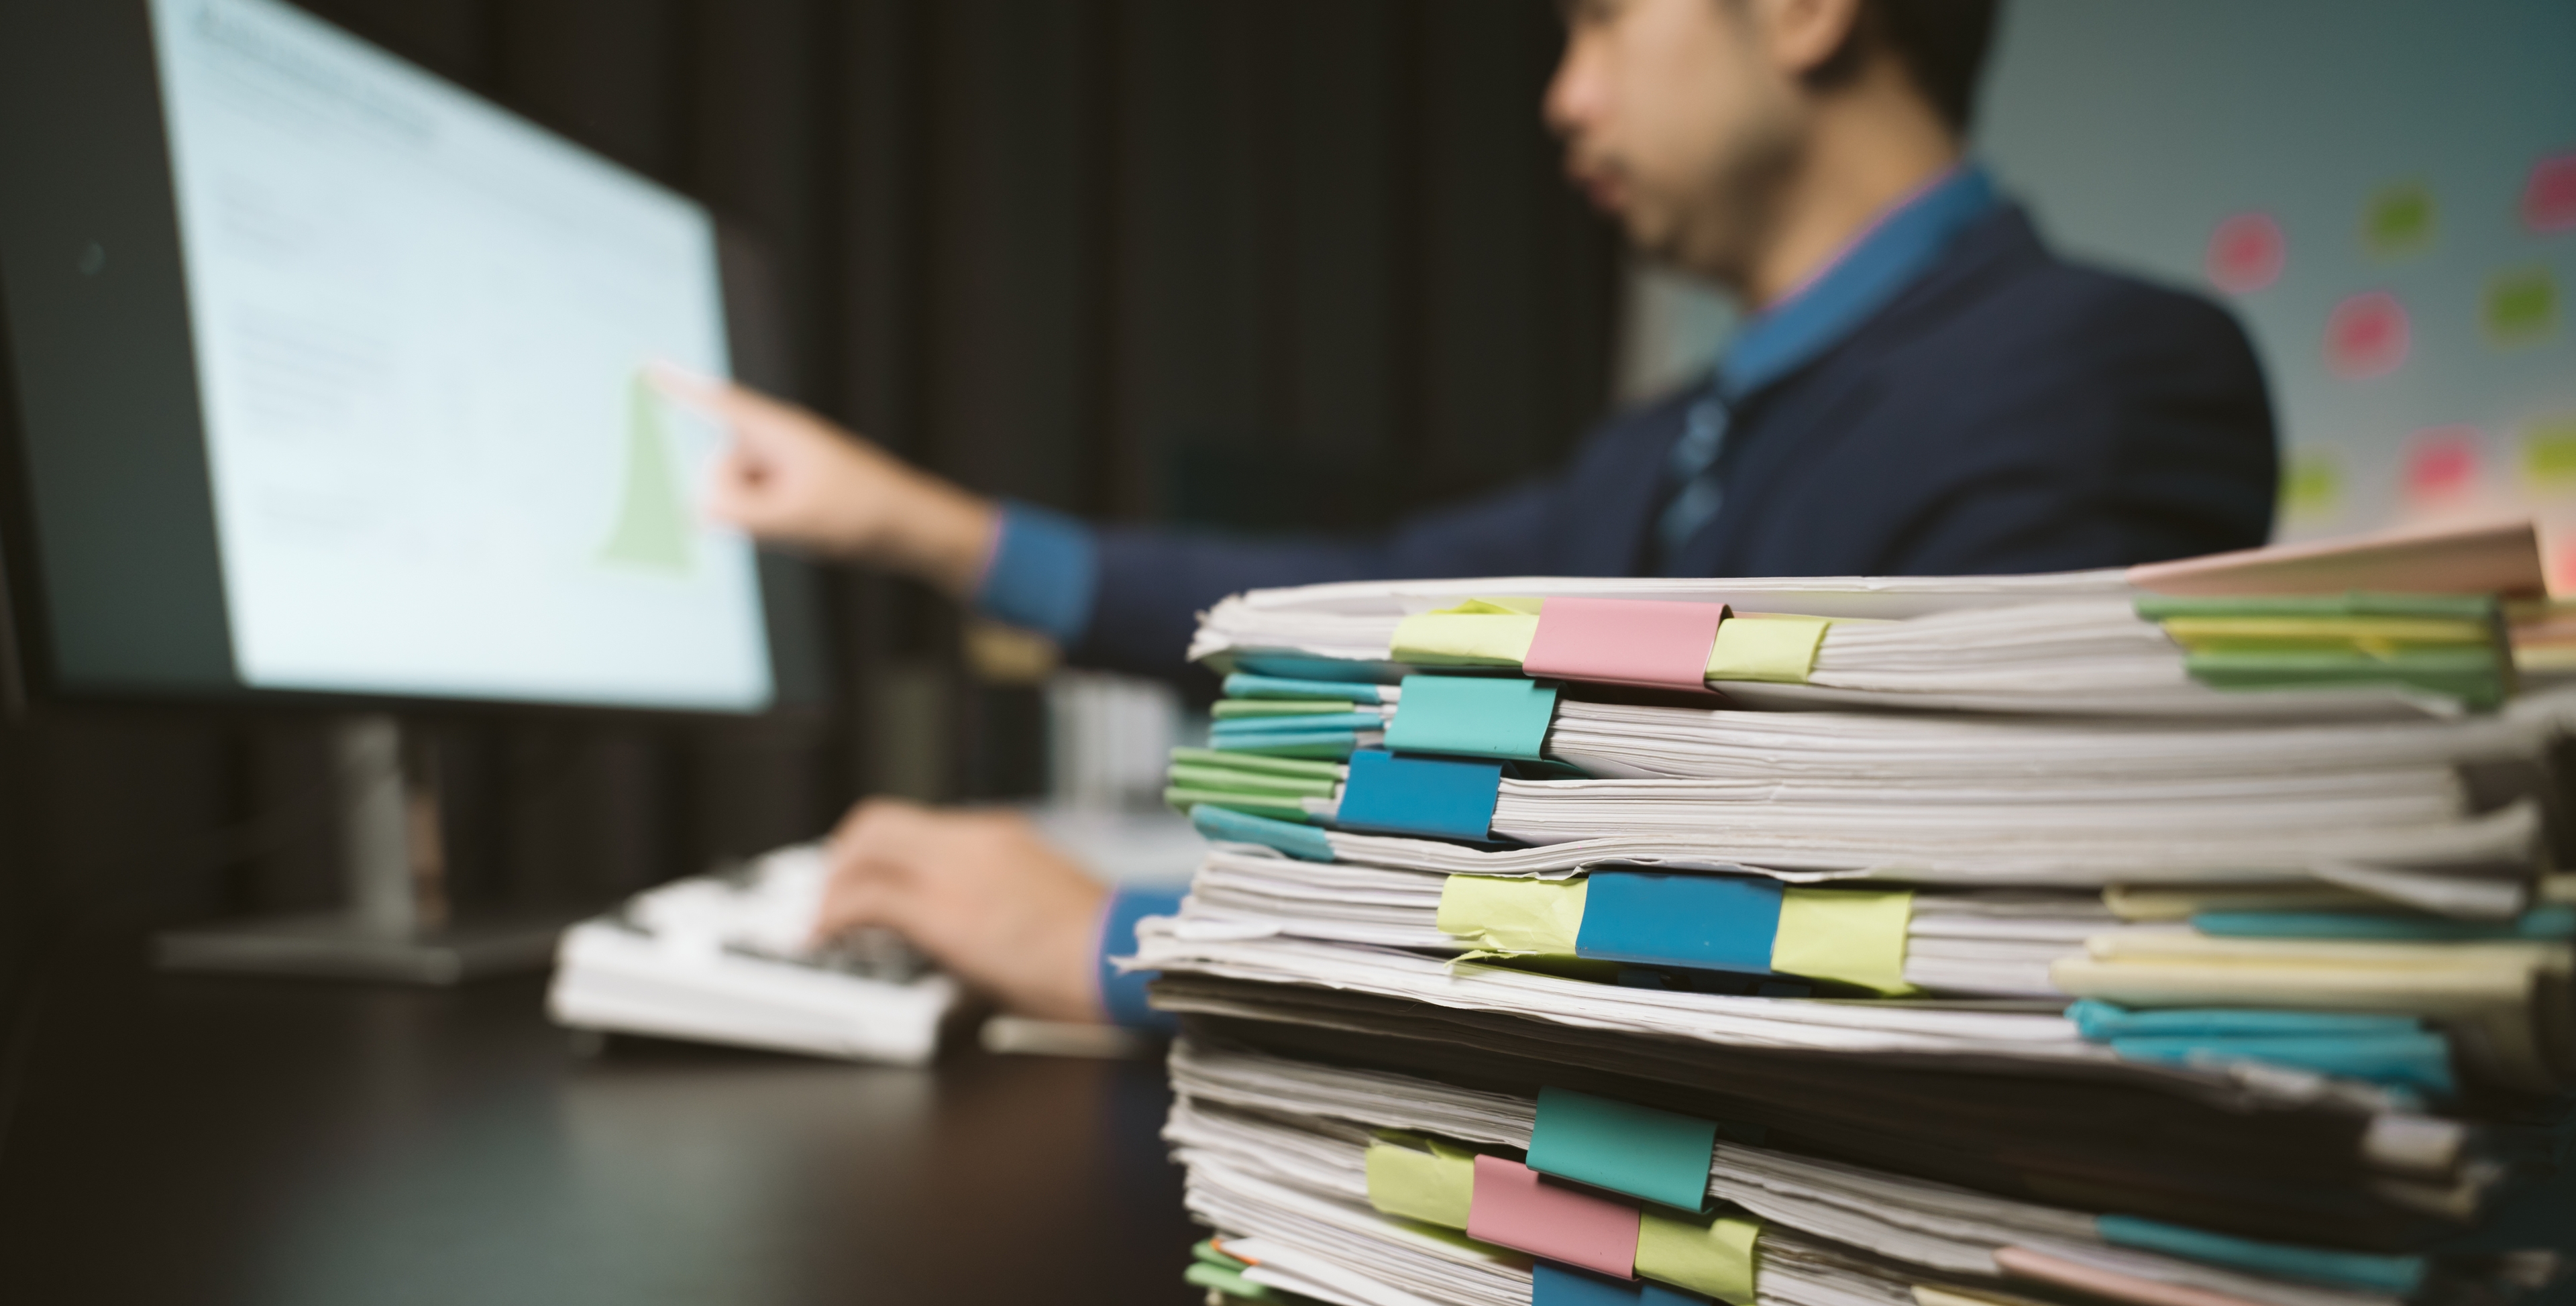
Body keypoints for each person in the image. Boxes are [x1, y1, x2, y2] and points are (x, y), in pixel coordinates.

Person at [666, 0, 2279, 1028]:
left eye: (1595, 22)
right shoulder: (1669, 439)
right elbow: (1366, 600)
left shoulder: (2108, 373)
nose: (1562, 98)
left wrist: (1147, 936)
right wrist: (920, 527)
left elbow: (1901, 943)